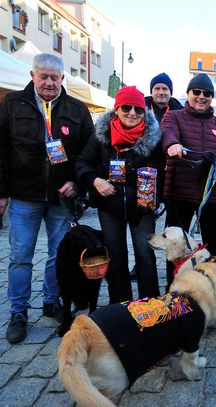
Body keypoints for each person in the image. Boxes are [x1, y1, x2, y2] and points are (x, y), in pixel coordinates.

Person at [0, 53, 94, 344]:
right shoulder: (13, 104)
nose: (49, 82)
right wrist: (2, 191)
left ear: (63, 78)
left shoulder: (77, 110)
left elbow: (87, 154)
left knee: (59, 255)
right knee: (20, 257)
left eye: (55, 77)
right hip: (24, 194)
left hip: (60, 198)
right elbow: (1, 150)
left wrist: (76, 183)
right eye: (44, 76)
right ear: (32, 75)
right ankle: (18, 312)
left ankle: (52, 301)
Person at [76, 86, 162, 303]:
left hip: (141, 206)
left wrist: (150, 192)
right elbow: (83, 163)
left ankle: (149, 305)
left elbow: (160, 170)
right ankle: (120, 305)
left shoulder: (153, 137)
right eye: (126, 107)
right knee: (115, 257)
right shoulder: (101, 136)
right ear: (116, 109)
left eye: (138, 109)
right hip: (109, 205)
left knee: (145, 256)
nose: (132, 113)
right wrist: (96, 181)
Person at [161, 73, 216, 287]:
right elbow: (168, 135)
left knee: (212, 246)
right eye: (197, 92)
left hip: (209, 196)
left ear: (212, 97)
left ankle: (210, 287)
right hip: (179, 193)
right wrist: (173, 146)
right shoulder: (174, 116)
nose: (201, 96)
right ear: (188, 93)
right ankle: (173, 289)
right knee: (176, 246)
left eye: (207, 93)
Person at [128, 73, 182, 281]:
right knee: (145, 225)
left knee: (172, 224)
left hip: (172, 175)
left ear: (170, 92)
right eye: (157, 88)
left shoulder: (178, 111)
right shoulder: (139, 109)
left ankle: (173, 264)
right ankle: (142, 264)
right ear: (152, 91)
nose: (161, 92)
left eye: (165, 89)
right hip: (146, 175)